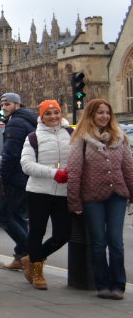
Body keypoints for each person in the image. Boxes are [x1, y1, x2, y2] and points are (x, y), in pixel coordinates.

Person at [68, 99, 133, 300]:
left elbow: (128, 168)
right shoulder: (81, 138)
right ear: (91, 115)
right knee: (98, 242)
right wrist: (74, 201)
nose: (104, 116)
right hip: (92, 197)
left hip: (117, 195)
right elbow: (75, 170)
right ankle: (102, 284)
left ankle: (118, 285)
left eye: (107, 112)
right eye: (100, 113)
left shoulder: (120, 137)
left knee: (115, 240)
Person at [20, 100, 72, 289]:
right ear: (41, 117)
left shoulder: (71, 134)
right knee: (37, 232)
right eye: (48, 113)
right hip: (39, 191)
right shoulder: (33, 137)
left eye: (56, 112)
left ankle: (33, 258)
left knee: (64, 234)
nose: (53, 117)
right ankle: (37, 270)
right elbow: (26, 165)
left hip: (64, 192)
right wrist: (54, 173)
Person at [0, 92, 37, 270]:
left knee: (2, 214)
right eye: (2, 105)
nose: (4, 108)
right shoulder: (28, 120)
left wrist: (1, 179)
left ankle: (34, 252)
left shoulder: (15, 123)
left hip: (15, 178)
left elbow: (10, 155)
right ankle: (21, 258)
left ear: (17, 105)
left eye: (7, 105)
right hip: (27, 178)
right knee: (18, 216)